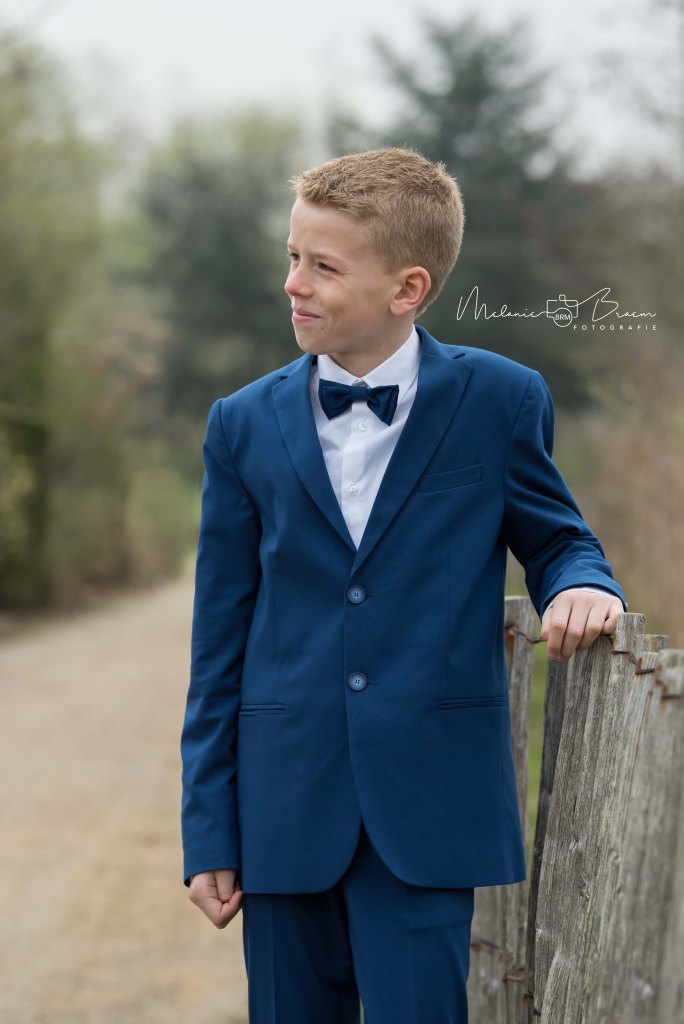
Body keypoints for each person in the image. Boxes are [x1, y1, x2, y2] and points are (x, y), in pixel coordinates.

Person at [180, 147, 627, 1023]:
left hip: (429, 803)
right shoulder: (240, 424)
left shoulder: (500, 400)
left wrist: (586, 585)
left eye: (323, 266)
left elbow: (559, 538)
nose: (293, 283)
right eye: (292, 256)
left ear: (408, 288)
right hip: (283, 805)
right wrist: (209, 829)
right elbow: (217, 642)